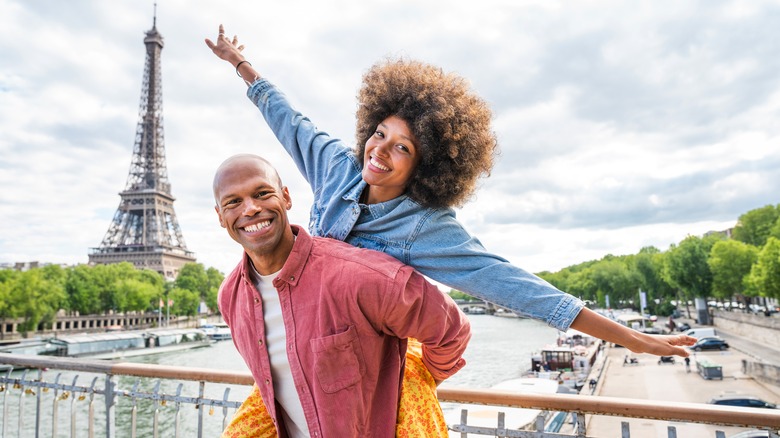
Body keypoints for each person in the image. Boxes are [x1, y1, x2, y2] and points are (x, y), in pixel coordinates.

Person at [205, 25, 696, 436]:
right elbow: (288, 120)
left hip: (379, 362)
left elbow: (519, 288)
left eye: (402, 148)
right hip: (316, 347)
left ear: (426, 166)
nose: (380, 150)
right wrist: (240, 66)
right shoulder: (337, 167)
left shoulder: (427, 227)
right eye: (380, 133)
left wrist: (630, 338)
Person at [213, 154, 471, 437]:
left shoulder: (358, 276)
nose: (250, 209)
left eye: (262, 194)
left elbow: (451, 330)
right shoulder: (231, 298)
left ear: (286, 197)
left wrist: (415, 382)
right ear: (220, 216)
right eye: (233, 202)